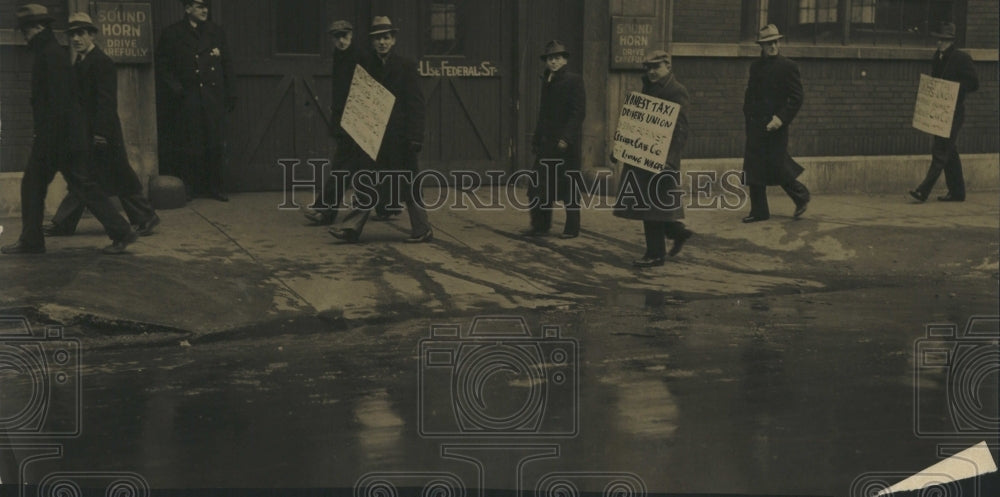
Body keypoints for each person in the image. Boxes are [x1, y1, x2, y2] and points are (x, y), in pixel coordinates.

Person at [2, 5, 137, 255]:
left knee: (35, 184)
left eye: (27, 30)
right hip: (65, 137)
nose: (25, 36)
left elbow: (58, 103)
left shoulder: (49, 55)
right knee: (82, 186)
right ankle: (121, 231)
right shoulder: (51, 52)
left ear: (38, 28)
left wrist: (45, 137)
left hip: (57, 138)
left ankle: (32, 240)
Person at [42, 13, 160, 238]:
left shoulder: (102, 62)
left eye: (80, 33)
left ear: (91, 35)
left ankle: (146, 217)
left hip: (103, 134)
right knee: (84, 177)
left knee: (118, 176)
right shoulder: (80, 62)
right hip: (86, 132)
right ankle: (63, 223)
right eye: (72, 35)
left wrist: (100, 134)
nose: (76, 39)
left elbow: (106, 101)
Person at [328, 16, 432, 244]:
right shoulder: (366, 66)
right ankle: (351, 227)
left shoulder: (406, 66)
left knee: (409, 184)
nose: (382, 43)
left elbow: (416, 105)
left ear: (393, 40)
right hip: (374, 137)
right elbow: (359, 99)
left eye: (386, 38)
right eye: (377, 39)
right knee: (367, 181)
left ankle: (422, 229)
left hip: (401, 138)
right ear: (372, 43)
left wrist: (416, 137)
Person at [612, 50, 693, 267]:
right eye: (648, 68)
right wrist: (621, 146)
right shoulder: (649, 88)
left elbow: (680, 129)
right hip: (643, 157)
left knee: (653, 207)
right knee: (649, 205)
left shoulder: (677, 91)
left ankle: (655, 254)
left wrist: (670, 161)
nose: (651, 72)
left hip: (662, 159)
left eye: (656, 67)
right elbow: (637, 122)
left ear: (668, 65)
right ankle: (677, 232)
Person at [155, 0, 236, 202]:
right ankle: (189, 187)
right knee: (190, 144)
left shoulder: (216, 32)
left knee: (215, 142)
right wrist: (177, 90)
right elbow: (163, 66)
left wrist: (231, 93)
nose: (204, 10)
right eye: (199, 5)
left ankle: (215, 188)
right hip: (188, 97)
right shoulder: (172, 33)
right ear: (187, 8)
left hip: (213, 97)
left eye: (206, 6)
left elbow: (227, 64)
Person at [741, 24, 809, 223]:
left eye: (775, 41)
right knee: (753, 167)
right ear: (761, 46)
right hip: (756, 125)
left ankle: (801, 195)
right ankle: (759, 211)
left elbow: (796, 98)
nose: (772, 46)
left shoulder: (788, 66)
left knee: (777, 165)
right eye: (767, 43)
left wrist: (780, 119)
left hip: (776, 126)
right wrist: (748, 114)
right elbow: (750, 93)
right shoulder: (755, 67)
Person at [302, 19, 365, 225]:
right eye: (337, 37)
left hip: (360, 121)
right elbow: (339, 94)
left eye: (344, 35)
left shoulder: (360, 57)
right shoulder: (339, 56)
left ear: (352, 35)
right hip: (345, 122)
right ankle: (326, 210)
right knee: (348, 168)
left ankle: (326, 210)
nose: (341, 40)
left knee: (343, 168)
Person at [909, 22, 979, 203]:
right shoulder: (937, 57)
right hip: (940, 112)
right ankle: (958, 192)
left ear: (950, 41)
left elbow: (974, 83)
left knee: (940, 150)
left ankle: (923, 190)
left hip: (954, 112)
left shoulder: (961, 58)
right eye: (938, 39)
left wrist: (952, 89)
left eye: (942, 40)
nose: (939, 43)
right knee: (949, 151)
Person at [523, 40, 586, 239]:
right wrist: (537, 138)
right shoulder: (547, 80)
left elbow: (578, 113)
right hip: (547, 145)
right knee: (538, 186)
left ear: (565, 60)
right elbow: (544, 113)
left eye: (557, 58)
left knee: (568, 187)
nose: (553, 62)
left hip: (566, 146)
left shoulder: (574, 80)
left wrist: (566, 138)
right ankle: (540, 226)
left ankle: (572, 228)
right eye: (550, 58)